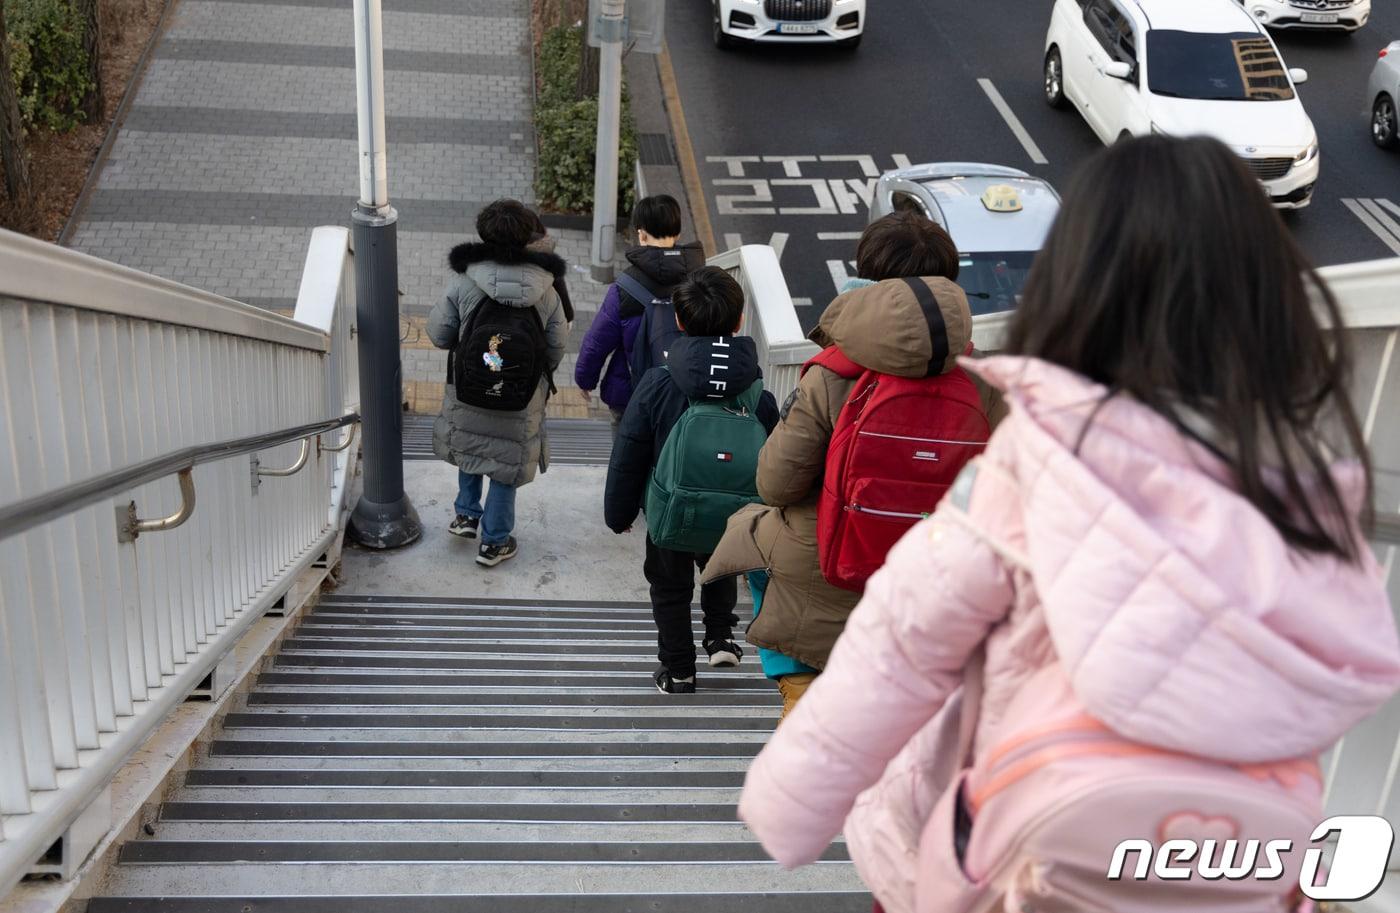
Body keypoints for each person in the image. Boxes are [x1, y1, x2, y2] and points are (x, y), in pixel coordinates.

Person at [737, 136, 1400, 913]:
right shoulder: (1309, 495)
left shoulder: (1042, 457)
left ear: (1076, 287)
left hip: (1031, 854)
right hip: (1234, 864)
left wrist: (791, 805)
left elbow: (901, 646)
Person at [703, 212, 1002, 718]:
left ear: (867, 284)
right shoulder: (988, 383)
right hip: (926, 603)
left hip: (826, 588)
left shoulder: (833, 374)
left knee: (752, 534)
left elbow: (775, 484)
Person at [604, 266, 779, 694]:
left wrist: (619, 512)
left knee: (669, 587)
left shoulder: (658, 383)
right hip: (737, 513)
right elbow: (779, 460)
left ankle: (679, 670)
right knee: (720, 568)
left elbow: (629, 454)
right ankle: (721, 637)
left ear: (679, 322)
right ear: (738, 323)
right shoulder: (759, 394)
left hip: (670, 511)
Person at [429, 199, 568, 567]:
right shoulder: (548, 290)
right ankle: (494, 542)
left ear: (483, 234)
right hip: (521, 397)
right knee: (506, 466)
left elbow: (440, 335)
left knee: (472, 445)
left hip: (470, 388)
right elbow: (555, 349)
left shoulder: (464, 281)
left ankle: (466, 515)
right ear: (529, 238)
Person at [575, 194, 706, 434]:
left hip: (630, 393)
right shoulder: (700, 281)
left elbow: (598, 340)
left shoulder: (625, 286)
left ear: (641, 234)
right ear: (677, 233)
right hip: (682, 389)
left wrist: (585, 380)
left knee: (626, 458)